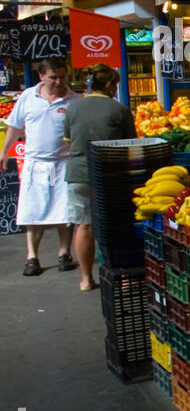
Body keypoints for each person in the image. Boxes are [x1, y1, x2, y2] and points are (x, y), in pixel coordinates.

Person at [1, 59, 78, 276]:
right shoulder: (28, 97)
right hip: (35, 163)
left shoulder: (74, 100)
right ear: (42, 77)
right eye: (53, 77)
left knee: (65, 211)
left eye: (62, 76)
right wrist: (4, 152)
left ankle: (64, 253)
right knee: (32, 212)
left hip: (64, 162)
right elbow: (14, 127)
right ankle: (32, 257)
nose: (58, 81)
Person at [64, 64, 135, 290]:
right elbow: (130, 145)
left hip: (78, 173)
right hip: (110, 174)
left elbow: (68, 142)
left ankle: (86, 279)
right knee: (116, 226)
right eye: (114, 83)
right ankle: (123, 278)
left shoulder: (72, 109)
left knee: (83, 226)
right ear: (107, 84)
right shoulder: (119, 110)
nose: (116, 88)